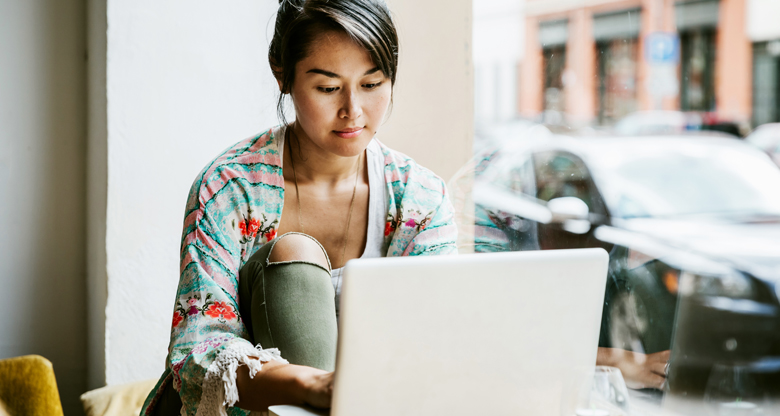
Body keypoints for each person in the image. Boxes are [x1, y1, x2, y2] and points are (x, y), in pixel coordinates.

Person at [140, 1, 458, 414]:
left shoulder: (421, 199)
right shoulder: (229, 188)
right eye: (328, 88)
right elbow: (196, 354)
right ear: (282, 74)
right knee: (296, 254)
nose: (353, 111)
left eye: (372, 83)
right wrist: (317, 385)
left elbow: (433, 343)